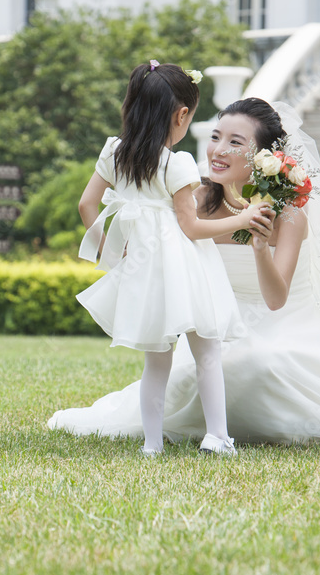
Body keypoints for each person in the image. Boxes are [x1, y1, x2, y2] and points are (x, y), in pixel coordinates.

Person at [49, 98, 320, 444]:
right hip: (218, 328)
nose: (218, 150)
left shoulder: (290, 211)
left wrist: (261, 247)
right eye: (215, 137)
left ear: (264, 156)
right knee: (196, 375)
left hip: (286, 327)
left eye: (234, 142)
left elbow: (276, 300)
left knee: (258, 363)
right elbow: (146, 228)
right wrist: (122, 253)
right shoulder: (194, 199)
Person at [74, 62, 274, 457]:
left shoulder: (114, 152)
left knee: (156, 361)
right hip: (185, 267)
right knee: (207, 353)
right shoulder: (177, 163)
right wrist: (244, 217)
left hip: (144, 270)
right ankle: (217, 436)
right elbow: (192, 228)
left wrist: (113, 254)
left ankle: (152, 445)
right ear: (181, 116)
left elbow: (86, 205)